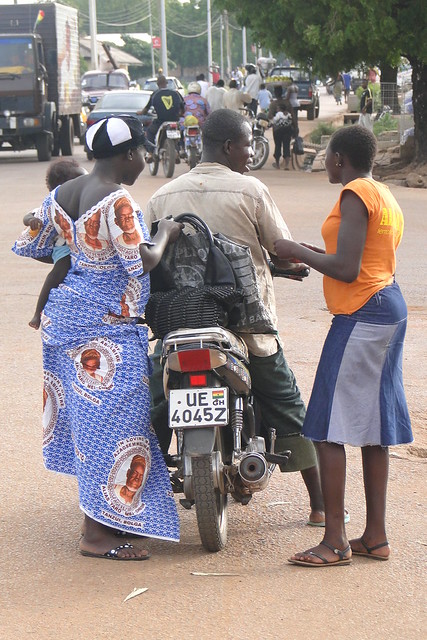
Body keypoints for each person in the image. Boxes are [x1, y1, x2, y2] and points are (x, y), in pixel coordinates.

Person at [12, 115, 183, 561]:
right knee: (115, 426)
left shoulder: (64, 193)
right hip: (105, 327)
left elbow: (33, 241)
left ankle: (108, 520)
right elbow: (142, 260)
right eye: (143, 153)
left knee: (93, 426)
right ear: (128, 155)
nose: (145, 161)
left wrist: (83, 255)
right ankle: (96, 534)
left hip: (64, 319)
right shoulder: (119, 199)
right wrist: (165, 233)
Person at [145, 109, 324, 524]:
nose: (251, 151)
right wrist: (291, 260)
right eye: (247, 144)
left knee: (150, 409)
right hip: (245, 326)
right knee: (287, 406)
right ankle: (320, 506)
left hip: (181, 324)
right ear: (228, 146)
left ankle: (132, 503)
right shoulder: (250, 190)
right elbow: (278, 246)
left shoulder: (163, 196)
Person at [274, 125, 412, 567]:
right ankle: (375, 535)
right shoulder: (382, 193)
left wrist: (295, 248)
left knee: (327, 426)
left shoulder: (353, 193)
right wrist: (314, 254)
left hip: (362, 310)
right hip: (386, 303)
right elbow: (361, 255)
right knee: (373, 428)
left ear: (339, 158)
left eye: (329, 155)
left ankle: (334, 541)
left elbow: (349, 269)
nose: (328, 162)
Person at [23, 158, 87, 329]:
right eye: (79, 179)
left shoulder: (86, 197)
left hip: (79, 243)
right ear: (63, 187)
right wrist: (32, 220)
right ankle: (38, 313)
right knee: (60, 270)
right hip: (63, 245)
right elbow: (28, 215)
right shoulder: (54, 202)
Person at [141, 75, 185, 149]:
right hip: (174, 120)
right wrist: (180, 114)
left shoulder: (155, 94)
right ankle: (182, 149)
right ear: (166, 83)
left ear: (157, 84)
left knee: (150, 132)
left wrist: (141, 112)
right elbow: (183, 107)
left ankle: (151, 152)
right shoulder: (176, 93)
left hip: (161, 121)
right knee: (180, 132)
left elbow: (146, 109)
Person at [268, 86, 296, 170]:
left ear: (275, 93)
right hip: (287, 128)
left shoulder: (273, 104)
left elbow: (269, 116)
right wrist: (295, 127)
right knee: (286, 145)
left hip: (277, 129)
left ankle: (277, 164)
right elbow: (293, 116)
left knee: (278, 145)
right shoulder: (287, 103)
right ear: (282, 92)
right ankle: (287, 164)